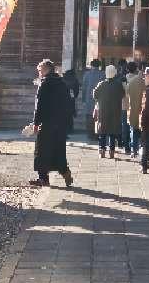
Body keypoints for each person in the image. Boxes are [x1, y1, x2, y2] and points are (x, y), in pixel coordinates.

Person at [31, 59, 74, 188]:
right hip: (61, 123)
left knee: (42, 151)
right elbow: (69, 104)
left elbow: (40, 106)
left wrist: (36, 123)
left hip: (47, 123)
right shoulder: (62, 83)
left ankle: (43, 179)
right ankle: (65, 172)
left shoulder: (44, 84)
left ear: (46, 70)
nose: (39, 73)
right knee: (59, 149)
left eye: (40, 70)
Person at [92, 64, 124, 158]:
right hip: (115, 111)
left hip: (103, 110)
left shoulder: (101, 84)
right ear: (114, 73)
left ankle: (102, 150)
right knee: (112, 132)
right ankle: (112, 151)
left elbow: (95, 96)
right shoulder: (118, 85)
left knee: (102, 131)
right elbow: (122, 95)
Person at [124, 61, 145, 157]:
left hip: (128, 106)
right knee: (138, 129)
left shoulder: (125, 79)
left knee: (129, 128)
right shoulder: (141, 80)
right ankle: (139, 148)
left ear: (127, 69)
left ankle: (130, 148)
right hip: (140, 107)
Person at [82, 59, 104, 139]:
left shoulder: (87, 74)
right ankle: (97, 134)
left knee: (89, 116)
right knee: (99, 116)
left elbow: (84, 88)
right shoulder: (103, 74)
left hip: (89, 98)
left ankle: (90, 134)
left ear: (91, 65)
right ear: (99, 65)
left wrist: (83, 99)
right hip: (100, 99)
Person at [62, 68, 80, 135]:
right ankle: (70, 129)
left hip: (63, 99)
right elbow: (77, 91)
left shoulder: (63, 79)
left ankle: (64, 128)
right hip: (71, 99)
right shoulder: (75, 80)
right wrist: (75, 96)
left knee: (64, 115)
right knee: (70, 115)